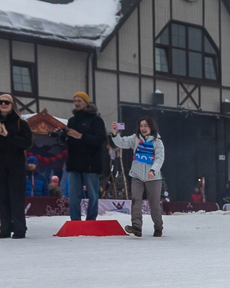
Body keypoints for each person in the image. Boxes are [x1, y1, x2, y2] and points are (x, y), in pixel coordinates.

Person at [0, 94, 33, 238]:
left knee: (16, 197)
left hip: (16, 163)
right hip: (0, 163)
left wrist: (7, 135)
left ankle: (19, 228)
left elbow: (26, 143)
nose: (3, 104)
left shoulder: (20, 123)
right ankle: (4, 227)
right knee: (2, 196)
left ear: (13, 105)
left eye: (7, 102)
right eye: (1, 102)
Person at [110, 116, 165, 238]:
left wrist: (153, 170)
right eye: (141, 126)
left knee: (154, 204)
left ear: (151, 127)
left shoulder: (158, 142)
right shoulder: (135, 139)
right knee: (136, 200)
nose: (143, 128)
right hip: (137, 175)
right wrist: (115, 134)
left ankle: (158, 226)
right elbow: (122, 143)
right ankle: (136, 226)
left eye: (145, 126)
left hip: (153, 178)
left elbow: (160, 158)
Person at [65, 92, 106, 221]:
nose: (76, 103)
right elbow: (69, 141)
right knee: (73, 194)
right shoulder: (72, 120)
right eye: (75, 101)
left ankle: (91, 220)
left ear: (86, 102)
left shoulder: (96, 120)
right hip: (74, 163)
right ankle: (75, 221)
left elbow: (100, 140)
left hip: (90, 163)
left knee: (93, 194)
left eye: (79, 101)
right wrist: (62, 136)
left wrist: (81, 136)